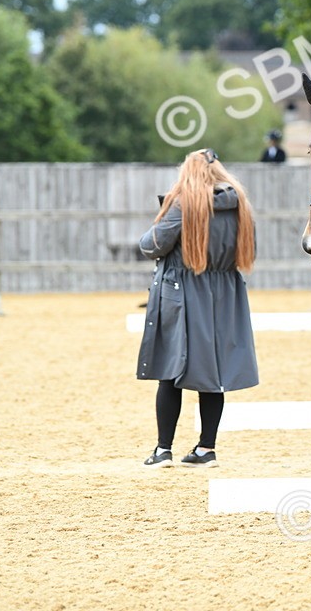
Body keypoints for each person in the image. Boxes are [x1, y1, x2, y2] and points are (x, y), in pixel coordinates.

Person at [136, 149, 259, 468]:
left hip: (185, 293)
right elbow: (248, 249)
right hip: (224, 293)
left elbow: (151, 245)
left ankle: (163, 449)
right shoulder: (240, 206)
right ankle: (206, 448)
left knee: (169, 370)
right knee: (213, 373)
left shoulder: (183, 205)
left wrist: (162, 214)